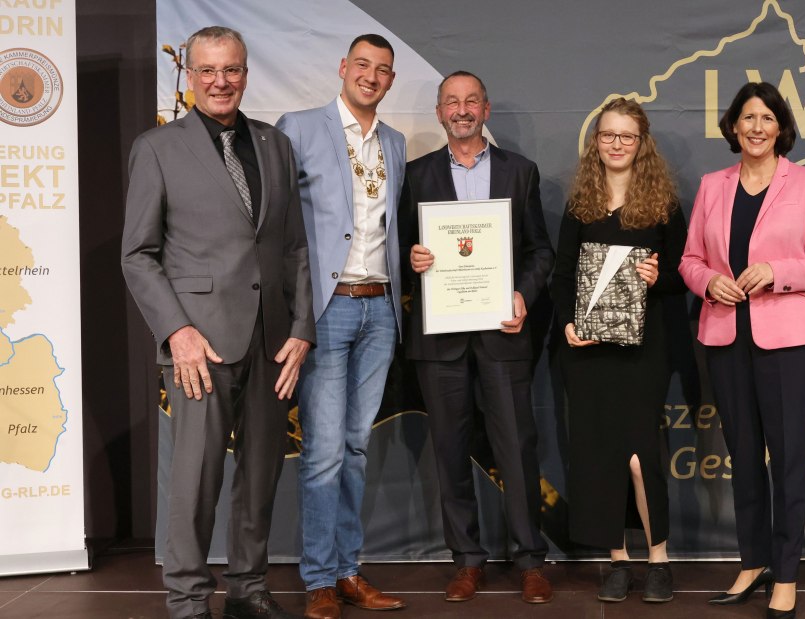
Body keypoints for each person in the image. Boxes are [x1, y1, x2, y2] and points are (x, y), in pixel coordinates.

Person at [120, 26, 313, 619]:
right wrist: (176, 332)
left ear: (245, 73)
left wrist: (301, 328)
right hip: (198, 344)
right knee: (196, 480)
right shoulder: (157, 147)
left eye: (231, 69)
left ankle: (248, 590)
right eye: (207, 70)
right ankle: (188, 600)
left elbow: (295, 247)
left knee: (261, 475)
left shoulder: (275, 145)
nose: (220, 81)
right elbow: (138, 254)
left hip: (272, 340)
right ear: (191, 77)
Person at [679, 81, 805, 619]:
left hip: (789, 342)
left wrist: (777, 271)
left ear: (780, 128)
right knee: (744, 457)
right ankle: (752, 562)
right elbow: (689, 259)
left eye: (766, 118)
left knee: (789, 459)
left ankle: (786, 573)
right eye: (747, 117)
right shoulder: (713, 185)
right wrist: (708, 282)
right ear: (733, 126)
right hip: (726, 338)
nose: (756, 127)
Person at [397, 71, 555, 604]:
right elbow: (397, 248)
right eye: (451, 102)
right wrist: (412, 257)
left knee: (517, 447)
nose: (461, 110)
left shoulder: (520, 171)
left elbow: (540, 251)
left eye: (471, 101)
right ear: (439, 113)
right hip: (439, 339)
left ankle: (530, 559)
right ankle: (467, 560)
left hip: (502, 333)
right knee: (449, 449)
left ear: (485, 110)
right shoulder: (415, 175)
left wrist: (522, 295)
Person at [275, 34, 407, 618]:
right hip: (326, 311)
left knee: (355, 448)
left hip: (381, 309)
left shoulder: (395, 142)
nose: (371, 76)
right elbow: (278, 223)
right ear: (343, 67)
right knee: (325, 451)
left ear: (391, 80)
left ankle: (348, 571)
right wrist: (293, 311)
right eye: (362, 65)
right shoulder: (300, 128)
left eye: (382, 69)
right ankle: (319, 579)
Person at [550, 98, 686, 603]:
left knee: (638, 456)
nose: (617, 144)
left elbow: (683, 273)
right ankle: (617, 559)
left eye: (627, 136)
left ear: (641, 142)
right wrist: (567, 324)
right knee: (602, 454)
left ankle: (659, 558)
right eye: (608, 134)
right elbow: (562, 275)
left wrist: (657, 277)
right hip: (588, 352)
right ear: (596, 141)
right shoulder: (580, 204)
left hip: (644, 351)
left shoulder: (663, 204)